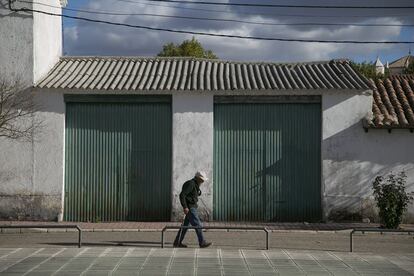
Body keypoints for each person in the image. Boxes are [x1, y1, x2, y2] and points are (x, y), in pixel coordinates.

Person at [173, 171, 212, 248]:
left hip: (192, 207)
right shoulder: (190, 184)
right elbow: (182, 195)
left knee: (185, 226)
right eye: (202, 180)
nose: (203, 181)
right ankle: (202, 242)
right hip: (190, 208)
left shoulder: (195, 185)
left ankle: (177, 242)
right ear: (198, 178)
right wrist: (185, 207)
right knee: (198, 225)